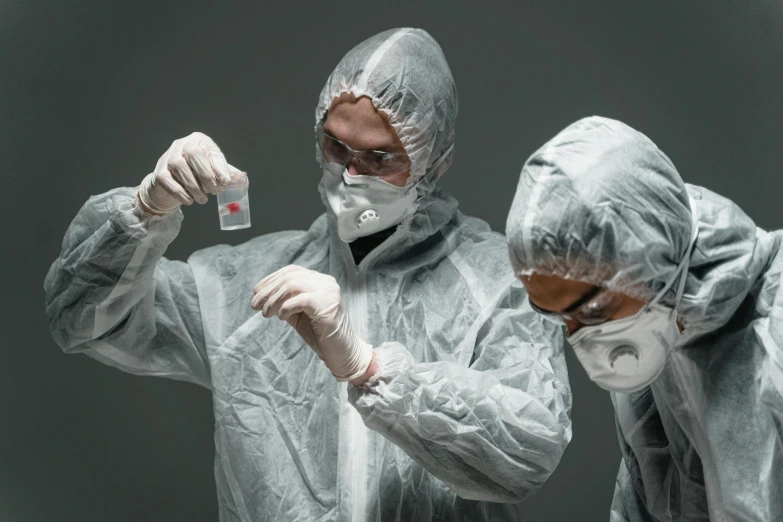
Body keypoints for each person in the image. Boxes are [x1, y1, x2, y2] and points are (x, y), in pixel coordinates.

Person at [45, 28, 572, 521]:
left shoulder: (497, 282)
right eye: (336, 146)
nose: (350, 174)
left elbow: (528, 451)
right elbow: (82, 319)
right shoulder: (248, 281)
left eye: (379, 157)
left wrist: (368, 369)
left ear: (436, 162)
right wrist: (146, 208)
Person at [505, 115, 783, 521]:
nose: (586, 342)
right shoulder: (660, 354)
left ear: (653, 254)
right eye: (561, 320)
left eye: (593, 310)